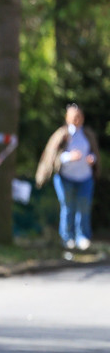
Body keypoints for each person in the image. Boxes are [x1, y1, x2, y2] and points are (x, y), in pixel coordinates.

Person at [36, 104, 100, 251]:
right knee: (68, 206)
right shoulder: (62, 134)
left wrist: (92, 159)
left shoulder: (87, 134)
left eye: (79, 116)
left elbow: (94, 153)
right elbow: (52, 157)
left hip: (85, 177)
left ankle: (82, 237)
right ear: (67, 118)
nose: (77, 119)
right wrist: (69, 157)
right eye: (74, 116)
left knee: (83, 206)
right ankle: (67, 238)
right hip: (65, 178)